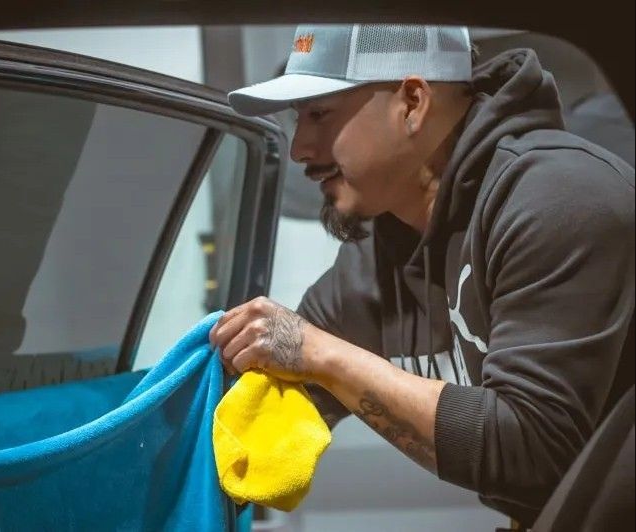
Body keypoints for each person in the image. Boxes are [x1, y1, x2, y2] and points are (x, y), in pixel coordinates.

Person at [209, 24, 635, 527]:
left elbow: (535, 449)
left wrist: (320, 354)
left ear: (412, 102)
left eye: (320, 114)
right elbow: (279, 388)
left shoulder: (559, 199)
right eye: (298, 119)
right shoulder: (377, 258)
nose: (300, 147)